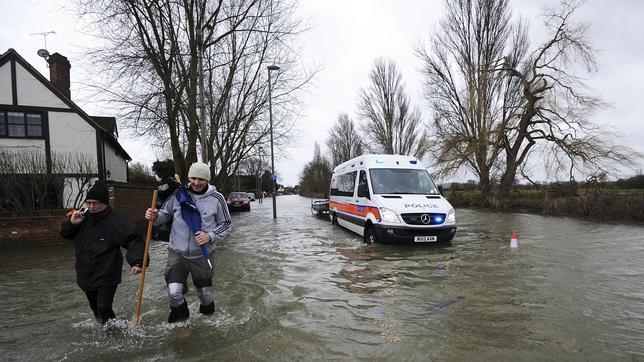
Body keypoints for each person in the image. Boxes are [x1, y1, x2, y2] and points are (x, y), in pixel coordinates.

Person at [145, 162, 232, 323]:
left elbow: (226, 224)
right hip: (177, 253)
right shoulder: (179, 194)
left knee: (205, 296)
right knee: (174, 291)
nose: (197, 183)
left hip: (203, 255)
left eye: (201, 179)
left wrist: (210, 236)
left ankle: (208, 323)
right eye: (193, 178)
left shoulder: (217, 198)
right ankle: (181, 322)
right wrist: (154, 216)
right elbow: (164, 215)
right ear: (189, 177)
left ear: (207, 180)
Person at [59, 182, 145, 325]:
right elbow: (65, 235)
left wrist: (137, 261)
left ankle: (116, 333)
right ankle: (107, 329)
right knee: (96, 309)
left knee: (104, 306)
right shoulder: (82, 216)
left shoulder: (116, 220)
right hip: (85, 271)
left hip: (108, 271)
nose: (91, 206)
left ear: (104, 203)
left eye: (95, 203)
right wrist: (72, 223)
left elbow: (133, 239)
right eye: (88, 203)